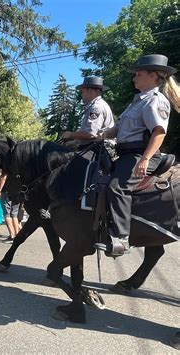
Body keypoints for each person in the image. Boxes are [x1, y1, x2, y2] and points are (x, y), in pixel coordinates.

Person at [96, 54, 180, 256]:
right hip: (125, 153)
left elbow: (159, 133)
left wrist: (145, 159)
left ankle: (120, 238)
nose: (134, 78)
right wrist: (105, 134)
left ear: (153, 76)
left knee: (117, 187)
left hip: (139, 154)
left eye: (138, 74)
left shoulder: (155, 101)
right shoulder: (136, 102)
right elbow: (118, 128)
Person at [62, 76, 114, 148]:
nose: (81, 94)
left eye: (82, 91)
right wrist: (76, 142)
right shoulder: (97, 105)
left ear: (90, 91)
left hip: (99, 149)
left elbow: (90, 134)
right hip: (96, 146)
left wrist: (70, 134)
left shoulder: (96, 107)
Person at [0, 174, 20, 243]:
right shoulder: (18, 167)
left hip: (6, 192)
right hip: (17, 193)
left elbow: (3, 179)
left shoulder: (7, 167)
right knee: (14, 215)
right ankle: (17, 236)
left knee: (7, 214)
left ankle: (12, 236)